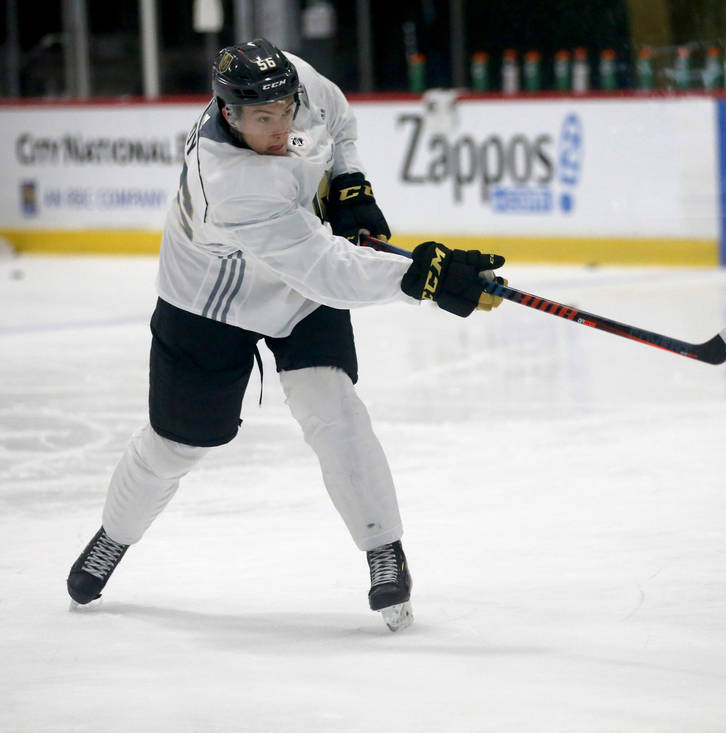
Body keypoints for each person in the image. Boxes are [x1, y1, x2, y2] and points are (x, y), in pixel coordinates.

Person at [65, 38, 506, 632]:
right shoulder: (230, 181)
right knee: (178, 445)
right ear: (228, 114)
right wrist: (421, 277)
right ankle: (114, 535)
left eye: (285, 112)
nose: (280, 128)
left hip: (298, 286)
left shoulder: (291, 88)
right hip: (209, 301)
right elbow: (327, 268)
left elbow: (331, 126)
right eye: (262, 120)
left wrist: (348, 182)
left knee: (333, 407)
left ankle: (383, 548)